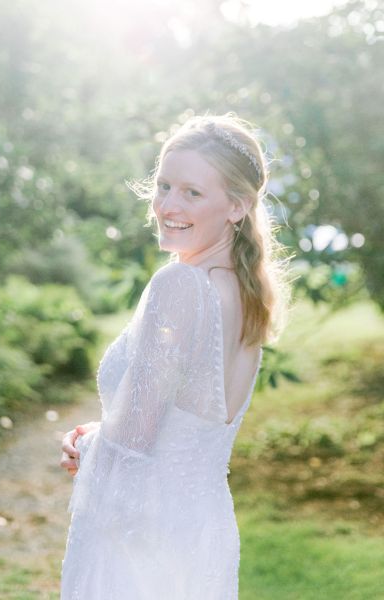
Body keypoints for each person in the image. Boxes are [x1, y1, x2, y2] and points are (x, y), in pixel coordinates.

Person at [59, 112, 292, 599]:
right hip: (202, 527)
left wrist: (84, 446)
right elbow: (188, 425)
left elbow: (133, 447)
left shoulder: (180, 285)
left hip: (144, 537)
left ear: (235, 206)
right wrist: (103, 432)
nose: (167, 205)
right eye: (164, 186)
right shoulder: (245, 290)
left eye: (191, 192)